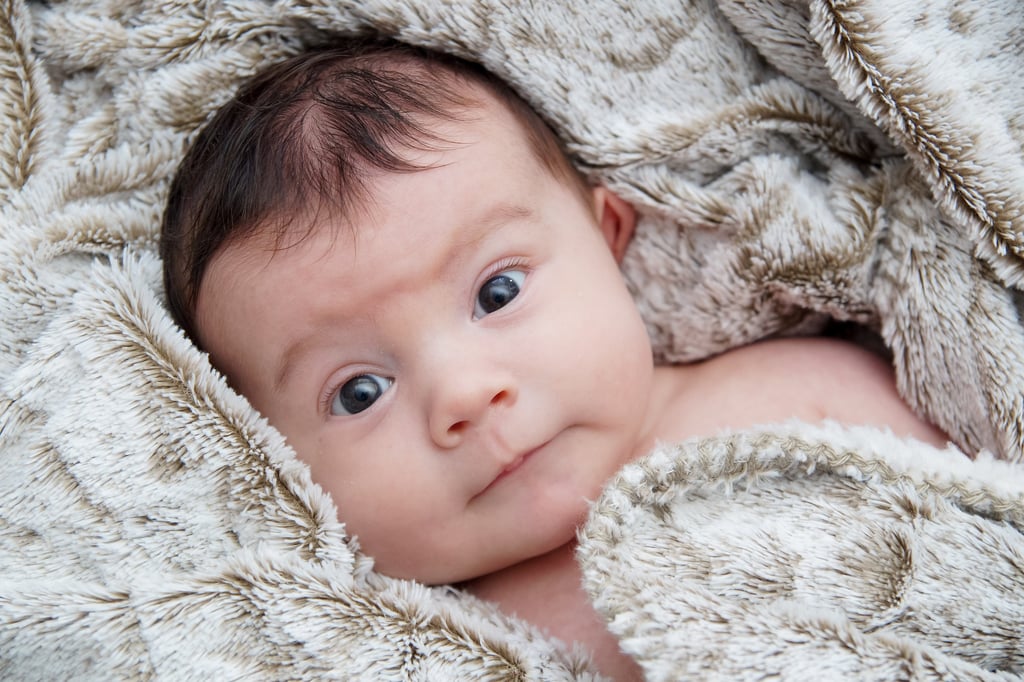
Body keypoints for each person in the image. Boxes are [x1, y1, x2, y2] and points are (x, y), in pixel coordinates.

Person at [160, 39, 947, 680]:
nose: (464, 395)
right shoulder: (427, 644)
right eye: (360, 391)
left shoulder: (804, 388)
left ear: (608, 237)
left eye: (497, 292)